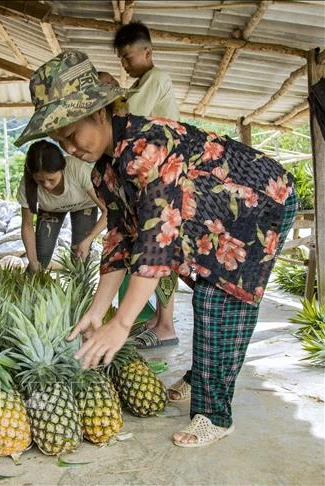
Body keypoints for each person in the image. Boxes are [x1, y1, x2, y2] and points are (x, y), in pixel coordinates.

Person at [14, 50, 296, 448]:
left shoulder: (150, 145)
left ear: (99, 112)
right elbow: (120, 240)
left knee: (219, 301)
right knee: (205, 293)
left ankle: (215, 416)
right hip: (213, 216)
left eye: (72, 136)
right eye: (60, 142)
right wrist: (98, 311)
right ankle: (204, 375)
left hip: (260, 201)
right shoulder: (104, 171)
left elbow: (156, 244)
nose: (70, 149)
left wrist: (122, 323)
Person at [113, 21, 181, 348]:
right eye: (122, 60)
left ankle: (166, 325)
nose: (125, 65)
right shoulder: (143, 84)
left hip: (165, 177)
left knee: (162, 251)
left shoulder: (156, 79)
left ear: (147, 52)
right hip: (154, 177)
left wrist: (112, 93)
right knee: (155, 250)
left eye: (128, 57)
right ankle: (157, 318)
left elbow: (131, 116)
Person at [18, 140, 108, 272]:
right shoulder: (27, 185)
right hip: (51, 209)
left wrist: (89, 239)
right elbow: (27, 226)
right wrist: (32, 262)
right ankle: (27, 288)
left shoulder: (78, 169)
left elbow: (107, 211)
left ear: (62, 168)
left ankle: (81, 290)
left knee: (80, 255)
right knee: (40, 256)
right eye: (40, 180)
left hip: (84, 206)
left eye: (51, 179)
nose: (46, 185)